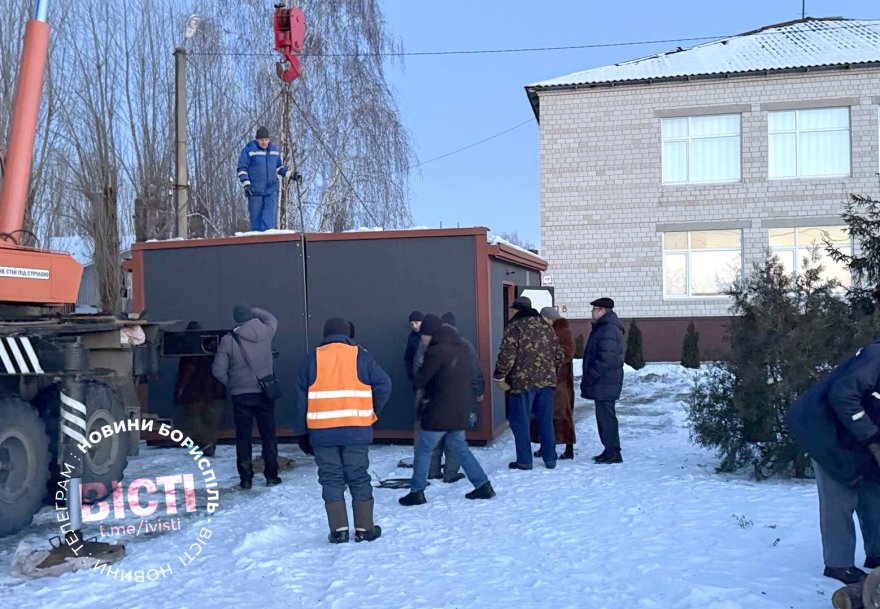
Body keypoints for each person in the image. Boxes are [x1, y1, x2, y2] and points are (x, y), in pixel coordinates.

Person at [785, 341, 880, 585]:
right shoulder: (876, 357)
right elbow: (843, 395)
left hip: (856, 434)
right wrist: (872, 438)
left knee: (873, 491)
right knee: (839, 497)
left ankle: (877, 554)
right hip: (825, 431)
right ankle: (839, 564)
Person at [295, 318, 391, 544]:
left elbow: (300, 401)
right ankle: (365, 529)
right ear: (348, 334)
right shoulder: (361, 356)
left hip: (322, 432)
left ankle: (338, 531)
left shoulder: (312, 358)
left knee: (331, 478)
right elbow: (385, 384)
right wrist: (371, 411)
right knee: (358, 476)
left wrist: (301, 433)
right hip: (356, 430)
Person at [399, 319, 495, 505]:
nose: (423, 340)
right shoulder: (463, 348)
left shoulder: (435, 351)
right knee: (460, 447)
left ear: (430, 334)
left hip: (438, 411)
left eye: (424, 336)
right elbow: (473, 373)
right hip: (460, 409)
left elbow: (421, 380)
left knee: (423, 449)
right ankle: (483, 485)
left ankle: (417, 491)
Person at [212, 305, 280, 489]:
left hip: (241, 395)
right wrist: (255, 310)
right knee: (268, 434)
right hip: (265, 392)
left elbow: (218, 370)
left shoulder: (228, 340)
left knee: (243, 436)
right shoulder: (266, 332)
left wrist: (232, 383)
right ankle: (272, 475)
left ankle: (246, 478)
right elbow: (272, 319)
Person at [493, 296, 564, 470]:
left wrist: (499, 376)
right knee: (545, 420)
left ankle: (524, 461)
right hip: (546, 383)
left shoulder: (514, 327)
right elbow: (559, 356)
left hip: (522, 384)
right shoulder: (546, 327)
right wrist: (548, 371)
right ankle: (550, 458)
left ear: (516, 310)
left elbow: (507, 356)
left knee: (520, 422)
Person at [581, 297, 625, 464]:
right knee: (604, 417)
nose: (592, 312)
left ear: (602, 311)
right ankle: (609, 450)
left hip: (605, 381)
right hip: (605, 381)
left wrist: (592, 374)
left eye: (594, 309)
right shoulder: (604, 327)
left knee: (606, 418)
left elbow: (606, 358)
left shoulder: (608, 329)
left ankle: (613, 452)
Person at [174, 321, 226, 457]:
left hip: (194, 392)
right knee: (211, 421)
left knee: (194, 420)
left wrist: (180, 389)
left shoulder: (189, 350)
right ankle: (209, 445)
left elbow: (188, 370)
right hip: (215, 391)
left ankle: (203, 445)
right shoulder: (214, 348)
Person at [531, 307, 576, 460]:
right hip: (555, 380)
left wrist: (547, 360)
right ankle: (547, 446)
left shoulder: (562, 331)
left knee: (561, 415)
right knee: (548, 415)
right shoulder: (553, 330)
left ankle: (567, 449)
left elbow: (567, 352)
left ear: (547, 318)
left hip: (560, 381)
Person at [236, 126, 290, 232]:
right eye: (261, 140)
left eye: (266, 139)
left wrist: (290, 174)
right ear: (257, 140)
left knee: (268, 222)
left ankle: (268, 239)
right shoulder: (249, 151)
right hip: (255, 191)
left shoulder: (274, 151)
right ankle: (258, 240)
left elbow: (279, 167)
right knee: (256, 223)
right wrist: (246, 185)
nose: (264, 142)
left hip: (271, 190)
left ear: (269, 139)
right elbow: (242, 168)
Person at [404, 310, 424, 383]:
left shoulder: (429, 335)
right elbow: (408, 356)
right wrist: (411, 373)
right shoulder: (412, 337)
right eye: (412, 324)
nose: (414, 326)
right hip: (418, 375)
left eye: (416, 322)